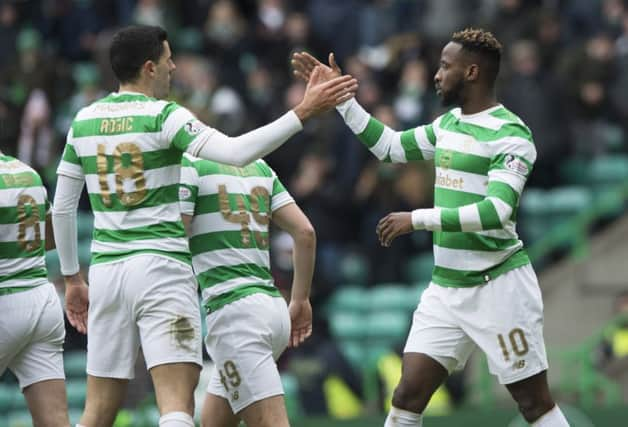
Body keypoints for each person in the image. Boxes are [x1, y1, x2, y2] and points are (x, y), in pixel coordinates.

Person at [51, 24, 356, 427]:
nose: (173, 66)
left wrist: (73, 278)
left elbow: (61, 208)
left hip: (107, 271)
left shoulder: (83, 121)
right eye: (167, 60)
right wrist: (302, 112)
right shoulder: (165, 116)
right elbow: (233, 152)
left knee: (97, 410)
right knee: (176, 404)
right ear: (148, 68)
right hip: (161, 268)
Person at [292, 28, 570, 426]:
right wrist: (343, 100)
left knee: (533, 403)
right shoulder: (447, 125)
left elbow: (496, 211)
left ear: (472, 72)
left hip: (500, 287)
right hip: (447, 289)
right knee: (406, 395)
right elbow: (389, 147)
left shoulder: (512, 135)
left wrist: (417, 219)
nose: (436, 75)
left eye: (445, 66)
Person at [179, 153, 315, 427]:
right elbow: (305, 232)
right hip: (273, 309)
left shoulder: (187, 166)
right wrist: (300, 299)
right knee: (214, 422)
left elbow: (175, 237)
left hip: (235, 317)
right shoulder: (258, 165)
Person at [0, 152, 70, 427]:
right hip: (42, 301)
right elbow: (51, 237)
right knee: (55, 420)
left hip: (4, 303)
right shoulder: (27, 172)